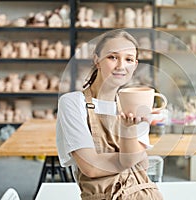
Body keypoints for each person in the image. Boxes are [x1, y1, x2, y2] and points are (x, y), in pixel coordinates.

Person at [56, 29, 163, 199]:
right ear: (97, 60)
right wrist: (127, 156)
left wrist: (128, 150)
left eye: (128, 59)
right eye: (113, 57)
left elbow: (142, 163)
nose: (121, 66)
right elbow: (91, 167)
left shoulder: (134, 103)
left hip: (144, 194)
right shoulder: (72, 103)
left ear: (134, 66)